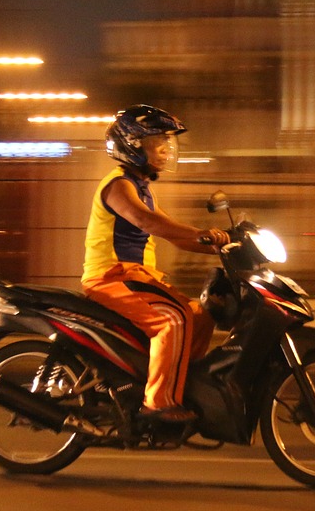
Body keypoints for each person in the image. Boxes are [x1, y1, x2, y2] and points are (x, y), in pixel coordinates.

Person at [81, 105, 231, 423]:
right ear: (132, 146)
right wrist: (201, 234)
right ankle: (158, 404)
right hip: (110, 277)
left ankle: (181, 385)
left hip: (138, 277)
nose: (164, 150)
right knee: (172, 320)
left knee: (201, 315)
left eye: (165, 143)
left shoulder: (143, 190)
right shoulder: (118, 185)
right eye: (156, 143)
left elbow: (172, 233)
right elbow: (146, 221)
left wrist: (225, 246)